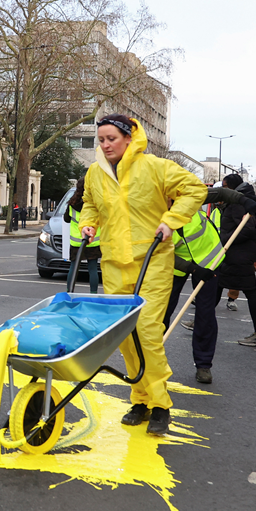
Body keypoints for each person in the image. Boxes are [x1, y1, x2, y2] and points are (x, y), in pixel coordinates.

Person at [79, 114, 206, 435]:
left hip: (152, 262)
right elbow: (90, 203)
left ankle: (161, 404)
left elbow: (194, 189)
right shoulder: (96, 172)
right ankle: (140, 400)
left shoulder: (154, 167)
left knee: (147, 331)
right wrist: (88, 223)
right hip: (114, 263)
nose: (105, 145)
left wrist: (172, 219)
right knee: (125, 336)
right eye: (101, 140)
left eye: (111, 139)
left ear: (128, 137)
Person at [162, 186, 256, 384]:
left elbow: (221, 193)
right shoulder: (149, 217)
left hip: (210, 260)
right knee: (161, 313)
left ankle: (203, 365)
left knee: (205, 315)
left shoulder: (189, 198)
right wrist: (193, 270)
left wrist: (243, 200)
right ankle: (151, 359)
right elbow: (163, 255)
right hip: (175, 267)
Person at [216, 174, 256, 348]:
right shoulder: (237, 203)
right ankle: (202, 319)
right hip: (236, 256)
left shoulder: (239, 204)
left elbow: (248, 230)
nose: (223, 190)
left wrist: (227, 241)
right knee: (216, 283)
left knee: (249, 292)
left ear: (232, 188)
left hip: (238, 256)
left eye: (224, 187)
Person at [63, 175, 101, 293]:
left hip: (76, 241)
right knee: (92, 269)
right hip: (92, 240)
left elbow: (66, 219)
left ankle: (70, 292)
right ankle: (93, 293)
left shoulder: (72, 204)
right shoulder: (94, 203)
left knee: (73, 268)